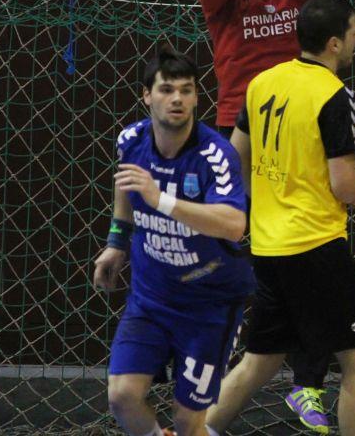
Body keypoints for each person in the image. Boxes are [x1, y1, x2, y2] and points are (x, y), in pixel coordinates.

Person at [197, 0, 337, 432]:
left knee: (310, 257)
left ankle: (307, 384)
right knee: (230, 250)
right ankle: (208, 352)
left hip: (297, 138)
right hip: (241, 135)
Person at [205, 0, 355, 436]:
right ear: (334, 43)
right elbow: (343, 183)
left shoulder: (262, 82)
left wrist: (266, 201)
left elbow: (235, 156)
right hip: (316, 245)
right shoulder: (332, 94)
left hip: (268, 247)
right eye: (354, 31)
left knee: (259, 362)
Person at [93, 44, 251, 436]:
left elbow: (235, 224)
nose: (176, 98)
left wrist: (161, 200)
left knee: (187, 420)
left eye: (185, 90)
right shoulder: (131, 140)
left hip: (208, 305)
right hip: (151, 299)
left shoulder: (216, 154)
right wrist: (117, 241)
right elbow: (127, 184)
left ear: (197, 97)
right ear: (147, 96)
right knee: (122, 396)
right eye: (166, 89)